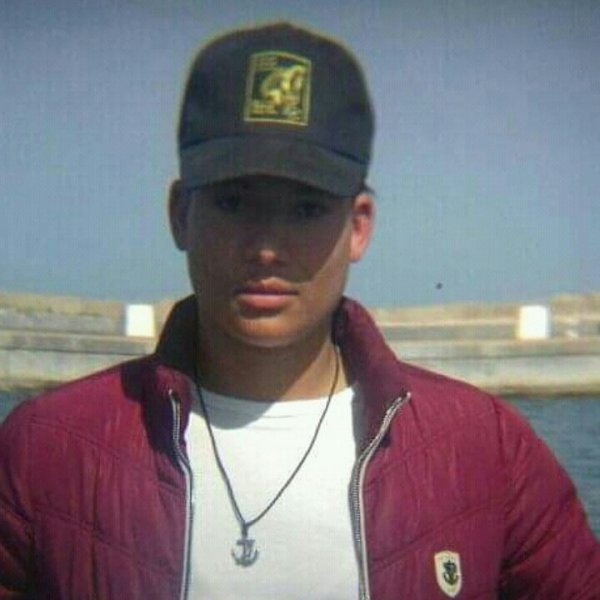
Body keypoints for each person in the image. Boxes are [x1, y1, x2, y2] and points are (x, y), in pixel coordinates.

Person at [0, 21, 599, 600]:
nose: (267, 247)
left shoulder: (486, 448)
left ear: (358, 227)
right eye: (234, 202)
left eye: (307, 209)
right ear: (180, 214)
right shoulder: (44, 450)